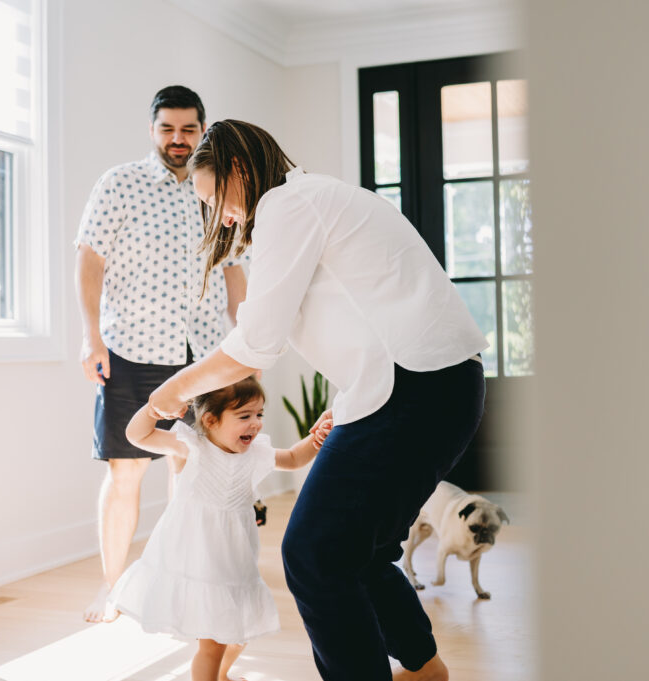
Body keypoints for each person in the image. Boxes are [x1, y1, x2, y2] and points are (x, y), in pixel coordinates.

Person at [148, 120, 488, 681]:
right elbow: (351, 318)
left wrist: (172, 389)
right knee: (362, 550)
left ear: (237, 171)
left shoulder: (288, 204)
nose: (224, 218)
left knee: (312, 553)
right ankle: (425, 670)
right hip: (436, 386)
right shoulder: (312, 200)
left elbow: (256, 346)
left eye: (216, 200)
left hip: (417, 386)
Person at [74, 86, 248, 623]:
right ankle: (112, 589)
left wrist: (244, 341)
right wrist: (91, 336)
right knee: (125, 473)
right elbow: (89, 260)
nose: (178, 139)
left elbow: (234, 266)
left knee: (189, 471)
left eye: (189, 129)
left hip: (200, 354)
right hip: (130, 349)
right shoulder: (119, 183)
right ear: (152, 130)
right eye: (168, 128)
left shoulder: (213, 190)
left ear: (202, 129)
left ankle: (176, 586)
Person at [109, 376, 333, 681]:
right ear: (210, 420)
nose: (255, 424)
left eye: (259, 415)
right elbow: (138, 435)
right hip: (196, 556)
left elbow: (294, 458)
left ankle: (223, 675)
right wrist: (154, 409)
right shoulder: (193, 446)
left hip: (234, 558)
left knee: (238, 633)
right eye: (244, 416)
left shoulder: (256, 454)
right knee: (212, 643)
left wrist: (317, 437)